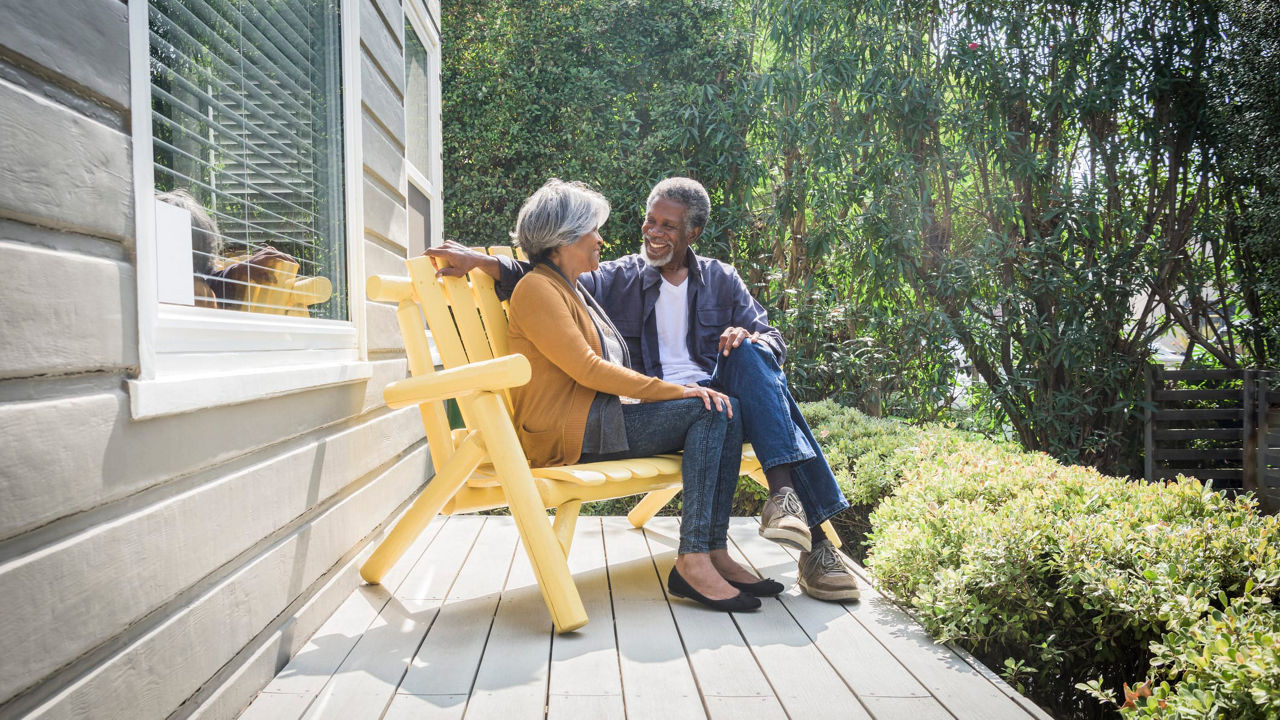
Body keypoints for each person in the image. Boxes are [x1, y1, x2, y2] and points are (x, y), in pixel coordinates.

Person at [428, 177, 860, 602]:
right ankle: (789, 540)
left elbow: (772, 340)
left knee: (751, 357)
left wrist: (749, 341)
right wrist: (483, 262)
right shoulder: (609, 279)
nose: (651, 232)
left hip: (700, 395)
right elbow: (548, 282)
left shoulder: (722, 279)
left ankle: (750, 522)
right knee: (722, 406)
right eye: (649, 221)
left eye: (667, 226)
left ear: (694, 232)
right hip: (641, 407)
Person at [496, 178, 781, 612]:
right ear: (564, 239)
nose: (601, 239)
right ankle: (694, 559)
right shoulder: (539, 289)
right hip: (568, 436)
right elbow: (589, 370)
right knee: (710, 410)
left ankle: (711, 551)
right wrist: (674, 391)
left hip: (597, 422)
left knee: (723, 406)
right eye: (592, 230)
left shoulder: (572, 287)